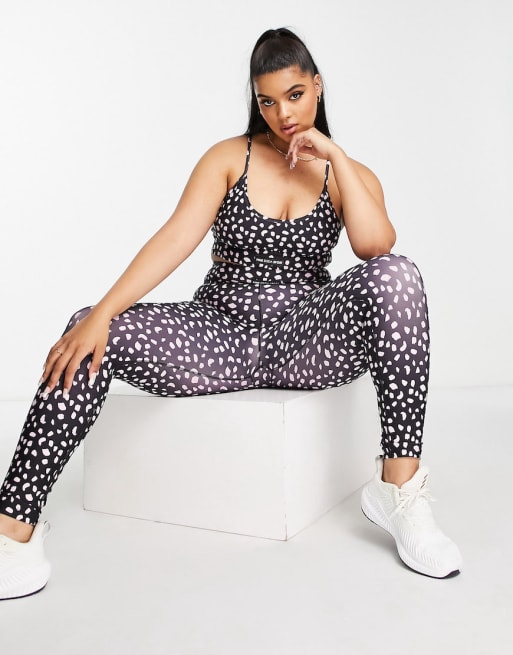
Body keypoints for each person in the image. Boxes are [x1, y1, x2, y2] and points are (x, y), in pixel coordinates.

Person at [0, 27, 462, 600]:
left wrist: (335, 156)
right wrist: (103, 311)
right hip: (218, 333)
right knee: (87, 329)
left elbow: (375, 246)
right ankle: (14, 530)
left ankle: (398, 490)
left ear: (318, 86)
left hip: (302, 339)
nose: (282, 113)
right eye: (267, 100)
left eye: (295, 95)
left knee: (398, 275)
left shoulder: (347, 175)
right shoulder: (229, 158)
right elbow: (176, 238)